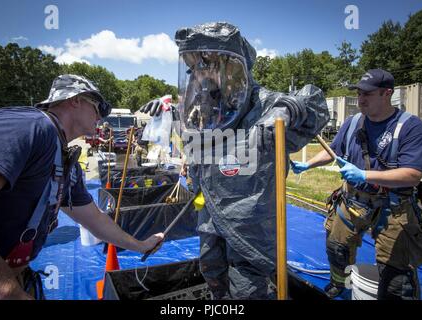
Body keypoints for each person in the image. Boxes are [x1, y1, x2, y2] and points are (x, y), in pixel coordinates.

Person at [140, 22, 329, 299]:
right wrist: (167, 113)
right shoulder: (205, 108)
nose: (201, 75)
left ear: (232, 67)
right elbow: (193, 140)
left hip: (249, 221)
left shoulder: (263, 103)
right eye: (195, 69)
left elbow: (314, 103)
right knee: (212, 271)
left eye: (209, 66)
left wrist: (290, 108)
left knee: (246, 287)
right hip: (210, 212)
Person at [0, 74, 164, 300]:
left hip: (11, 278)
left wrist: (141, 246)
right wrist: (1, 288)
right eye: (97, 107)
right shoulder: (30, 127)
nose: (101, 117)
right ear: (75, 100)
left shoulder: (65, 160)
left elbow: (95, 220)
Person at [291, 69, 422, 299]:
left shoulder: (410, 127)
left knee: (395, 273)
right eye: (359, 93)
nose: (361, 99)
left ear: (387, 93)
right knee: (337, 248)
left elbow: (413, 174)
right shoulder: (353, 122)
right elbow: (334, 151)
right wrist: (308, 165)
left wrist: (364, 175)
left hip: (394, 206)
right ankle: (341, 284)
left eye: (368, 94)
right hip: (353, 200)